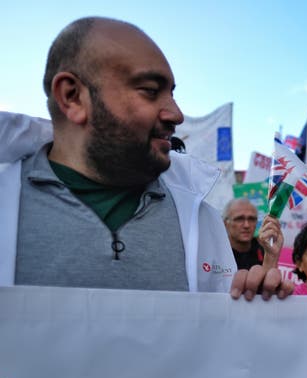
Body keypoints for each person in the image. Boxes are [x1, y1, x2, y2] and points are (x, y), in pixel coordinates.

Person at [0, 17, 291, 301]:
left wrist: (258, 305)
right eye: (150, 91)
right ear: (72, 96)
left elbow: (220, 339)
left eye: (171, 94)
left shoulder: (200, 217)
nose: (176, 114)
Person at [223, 198, 283, 270]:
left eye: (251, 219)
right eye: (239, 219)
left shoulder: (266, 250)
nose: (246, 225)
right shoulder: (217, 253)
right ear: (225, 223)